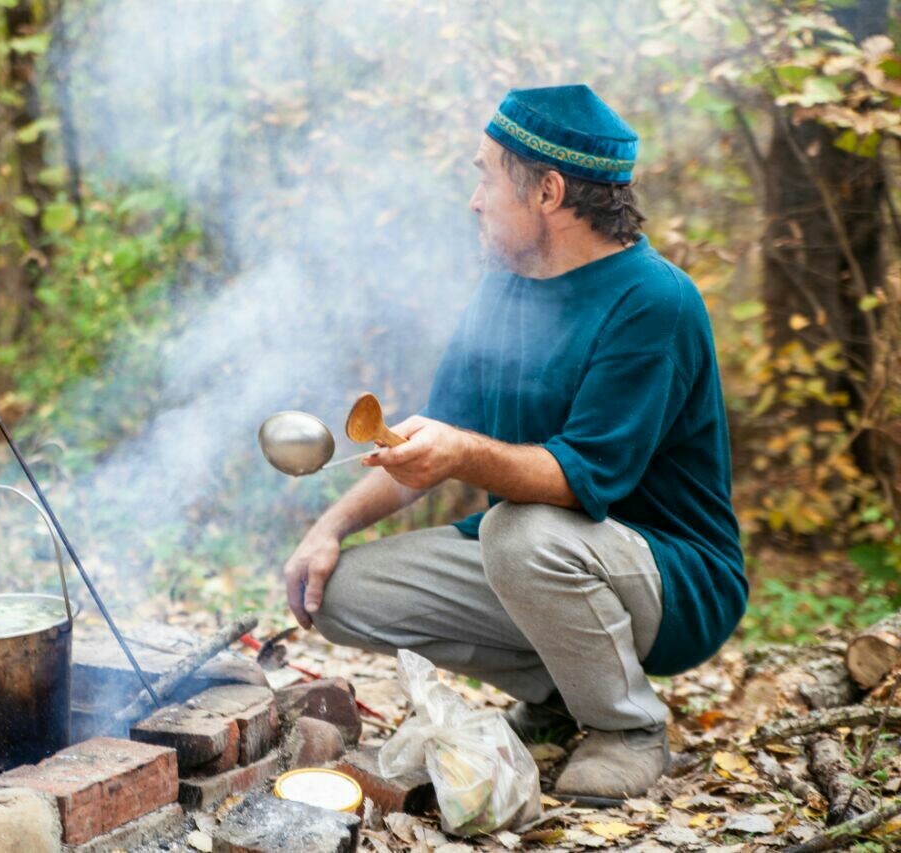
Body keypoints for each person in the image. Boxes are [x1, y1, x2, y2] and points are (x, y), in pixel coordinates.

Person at [282, 84, 747, 802]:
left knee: (520, 530)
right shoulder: (504, 289)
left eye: (486, 174)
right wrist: (328, 526)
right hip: (547, 558)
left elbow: (579, 478)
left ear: (548, 191)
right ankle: (564, 694)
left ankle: (627, 728)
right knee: (340, 593)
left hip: (674, 576)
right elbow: (428, 440)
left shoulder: (654, 301)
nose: (474, 198)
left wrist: (465, 454)